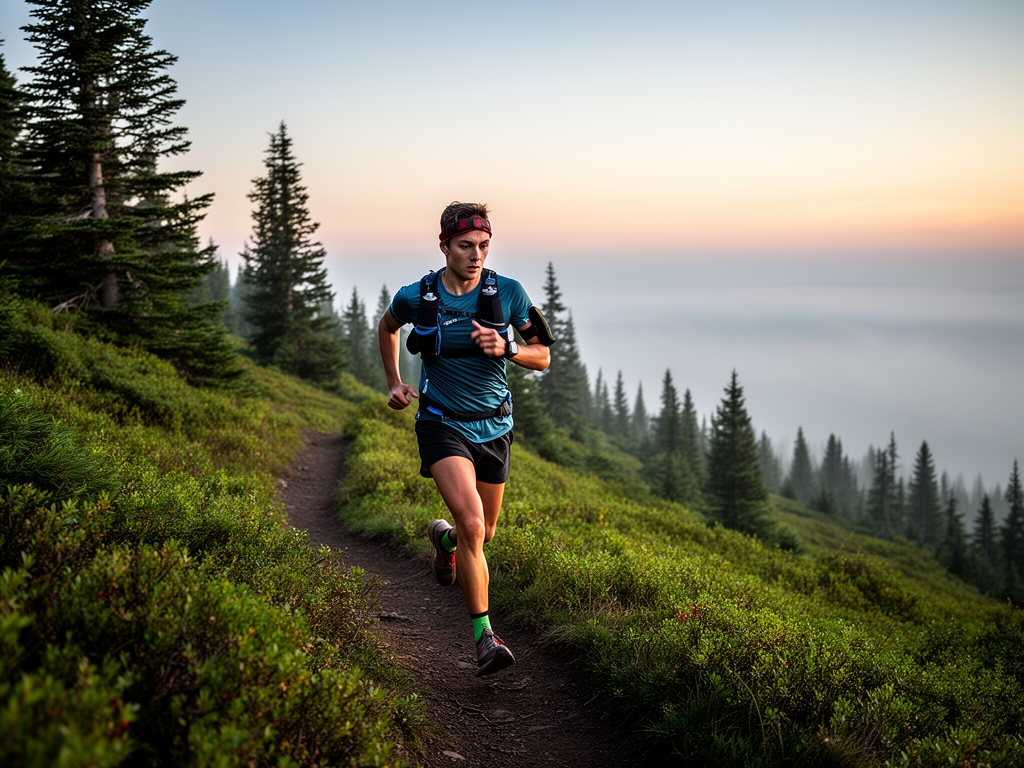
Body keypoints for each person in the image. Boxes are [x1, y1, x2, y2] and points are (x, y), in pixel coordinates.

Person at [377, 201, 552, 675]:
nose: (476, 255)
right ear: (444, 246)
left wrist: (510, 347)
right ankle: (485, 638)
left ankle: (445, 542)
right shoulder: (418, 296)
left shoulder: (509, 293)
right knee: (476, 525)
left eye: (484, 246)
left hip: (494, 426)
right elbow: (388, 327)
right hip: (441, 423)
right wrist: (394, 382)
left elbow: (543, 356)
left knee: (482, 533)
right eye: (466, 246)